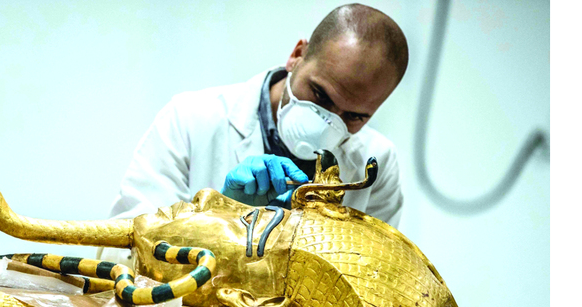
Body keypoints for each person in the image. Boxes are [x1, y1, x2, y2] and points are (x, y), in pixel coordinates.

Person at [100, 3, 408, 265]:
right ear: (297, 55)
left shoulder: (377, 163)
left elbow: (375, 279)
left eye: (354, 116)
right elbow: (118, 255)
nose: (327, 124)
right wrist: (219, 215)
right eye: (319, 95)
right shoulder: (190, 119)